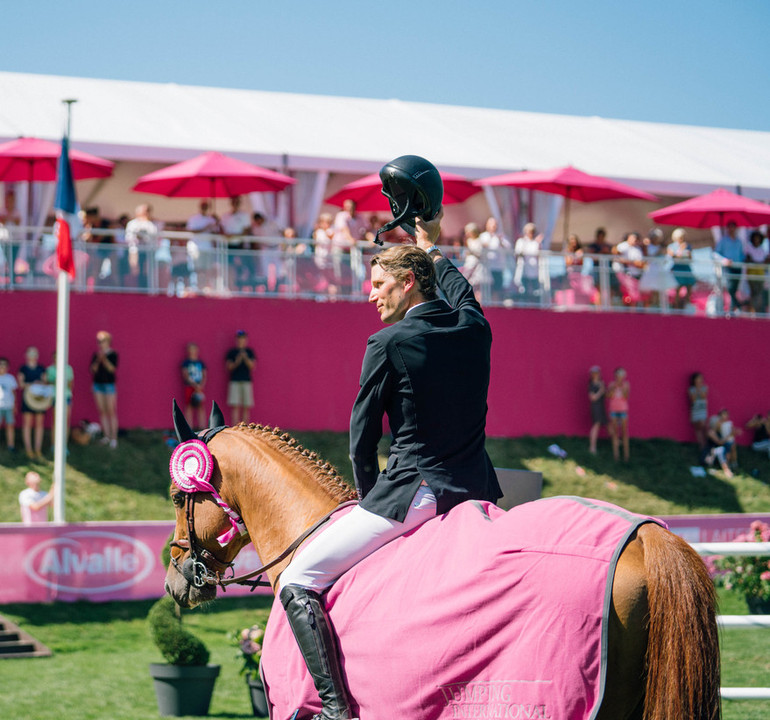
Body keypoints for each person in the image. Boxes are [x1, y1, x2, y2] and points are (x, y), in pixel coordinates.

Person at [278, 208, 502, 720]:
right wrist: (431, 247)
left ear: (406, 283)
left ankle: (336, 711)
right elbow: (460, 291)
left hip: (415, 493)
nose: (371, 294)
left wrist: (368, 496)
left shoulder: (388, 343)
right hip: (478, 490)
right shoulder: (475, 327)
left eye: (379, 283)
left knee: (297, 577)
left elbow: (362, 440)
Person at [89, 330, 119, 449]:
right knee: (102, 411)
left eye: (102, 341)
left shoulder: (113, 354)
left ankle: (114, 438)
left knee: (111, 411)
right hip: (98, 385)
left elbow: (112, 369)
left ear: (108, 341)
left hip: (109, 385)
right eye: (98, 341)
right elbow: (93, 370)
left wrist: (104, 359)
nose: (100, 343)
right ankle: (106, 436)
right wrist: (98, 359)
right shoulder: (96, 355)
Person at [17, 346, 46, 460]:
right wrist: (31, 384)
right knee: (27, 424)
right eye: (30, 353)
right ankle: (28, 449)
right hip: (27, 399)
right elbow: (21, 384)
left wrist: (40, 383)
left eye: (35, 354)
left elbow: (45, 382)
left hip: (39, 399)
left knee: (39, 424)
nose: (32, 356)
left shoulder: (41, 368)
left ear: (37, 356)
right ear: (26, 355)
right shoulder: (23, 368)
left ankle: (37, 449)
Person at [225, 330, 256, 424]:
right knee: (235, 405)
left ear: (246, 340)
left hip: (246, 381)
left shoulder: (250, 352)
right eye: (239, 338)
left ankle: (245, 428)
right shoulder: (232, 352)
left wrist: (245, 358)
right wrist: (238, 360)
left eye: (243, 339)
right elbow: (229, 367)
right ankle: (235, 427)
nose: (241, 340)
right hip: (235, 381)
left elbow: (252, 366)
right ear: (236, 339)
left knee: (246, 406)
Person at [714, 221, 745, 312]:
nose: (732, 229)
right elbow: (715, 254)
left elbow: (741, 255)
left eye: (733, 227)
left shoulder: (739, 241)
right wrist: (724, 260)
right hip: (728, 268)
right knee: (730, 288)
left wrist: (745, 258)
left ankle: (732, 309)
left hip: (738, 267)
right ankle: (738, 304)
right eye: (730, 227)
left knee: (734, 289)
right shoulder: (723, 241)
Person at [478, 216, 512, 301]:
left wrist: (500, 240)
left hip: (498, 267)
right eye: (492, 224)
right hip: (486, 267)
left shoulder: (501, 236)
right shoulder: (483, 236)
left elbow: (508, 249)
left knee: (497, 288)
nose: (494, 226)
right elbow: (481, 247)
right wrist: (490, 238)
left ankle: (495, 304)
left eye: (495, 224)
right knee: (486, 288)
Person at [45, 351, 74, 441]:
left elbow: (70, 384)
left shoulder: (68, 369)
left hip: (66, 396)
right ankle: (54, 444)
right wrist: (56, 381)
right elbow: (47, 383)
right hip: (55, 397)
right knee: (56, 421)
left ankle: (64, 444)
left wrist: (62, 381)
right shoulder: (50, 369)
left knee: (66, 421)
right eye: (55, 357)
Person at [513, 222, 544, 301]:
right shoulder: (521, 241)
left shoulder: (536, 243)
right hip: (523, 271)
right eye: (529, 231)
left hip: (534, 271)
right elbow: (518, 254)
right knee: (524, 290)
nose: (531, 233)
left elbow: (539, 255)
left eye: (532, 232)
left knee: (535, 290)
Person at [181, 343, 207, 430]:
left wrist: (201, 385)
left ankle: (202, 427)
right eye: (191, 350)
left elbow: (204, 374)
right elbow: (185, 374)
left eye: (194, 350)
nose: (193, 352)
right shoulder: (186, 363)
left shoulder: (200, 363)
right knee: (189, 406)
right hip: (190, 386)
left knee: (200, 406)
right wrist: (194, 385)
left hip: (199, 388)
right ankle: (189, 427)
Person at [668, 228, 695, 309]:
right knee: (678, 289)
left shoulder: (688, 246)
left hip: (686, 268)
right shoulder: (671, 246)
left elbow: (690, 258)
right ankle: (676, 307)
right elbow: (673, 256)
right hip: (677, 269)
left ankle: (687, 306)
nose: (682, 239)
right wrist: (682, 250)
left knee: (689, 288)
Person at [607, 367, 630, 462]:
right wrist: (614, 387)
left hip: (623, 410)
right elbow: (609, 396)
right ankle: (616, 455)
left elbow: (626, 396)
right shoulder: (612, 384)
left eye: (621, 375)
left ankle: (626, 455)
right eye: (618, 375)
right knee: (615, 432)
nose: (619, 377)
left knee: (624, 432)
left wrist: (622, 387)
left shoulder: (626, 384)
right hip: (614, 410)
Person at [744, 230, 768, 314]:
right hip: (752, 275)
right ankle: (753, 311)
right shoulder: (749, 248)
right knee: (754, 294)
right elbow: (748, 259)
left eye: (758, 239)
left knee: (759, 294)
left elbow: (765, 261)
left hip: (760, 275)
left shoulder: (762, 250)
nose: (756, 240)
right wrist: (759, 263)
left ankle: (757, 311)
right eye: (755, 238)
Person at [588, 365, 608, 454]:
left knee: (608, 425)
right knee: (596, 425)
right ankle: (592, 446)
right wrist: (601, 390)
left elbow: (606, 395)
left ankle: (617, 441)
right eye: (594, 373)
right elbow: (593, 398)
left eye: (597, 373)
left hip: (602, 407)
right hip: (596, 407)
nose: (596, 375)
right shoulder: (592, 385)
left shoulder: (601, 383)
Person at [0, 356, 17, 452]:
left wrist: (15, 405)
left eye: (4, 365)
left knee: (10, 426)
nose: (2, 367)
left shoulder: (10, 378)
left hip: (9, 406)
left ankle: (11, 446)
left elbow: (14, 392)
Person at [688, 372, 709, 450]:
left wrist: (699, 388)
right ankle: (702, 446)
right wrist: (696, 389)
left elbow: (703, 397)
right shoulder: (691, 389)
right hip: (695, 411)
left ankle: (707, 444)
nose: (700, 380)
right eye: (698, 378)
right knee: (698, 430)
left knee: (705, 426)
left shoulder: (705, 387)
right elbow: (693, 399)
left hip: (703, 411)